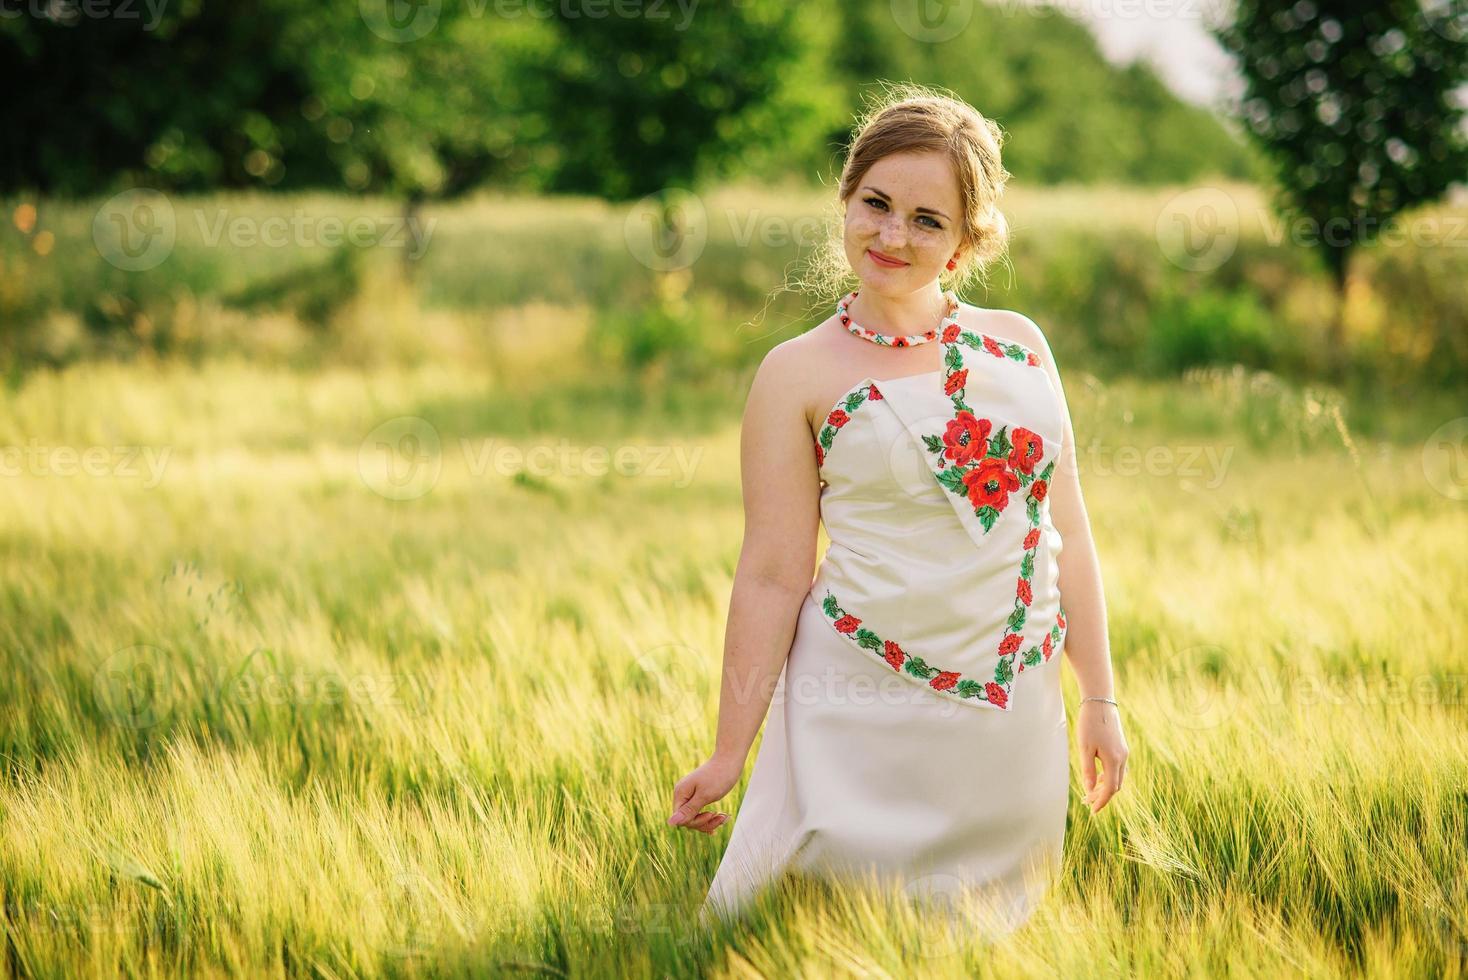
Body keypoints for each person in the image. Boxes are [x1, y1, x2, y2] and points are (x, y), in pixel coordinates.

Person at [667, 85, 1129, 933]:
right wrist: (731, 751)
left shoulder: (1020, 347)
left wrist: (1097, 699)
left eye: (927, 219)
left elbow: (1066, 534)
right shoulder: (794, 373)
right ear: (845, 200)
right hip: (856, 704)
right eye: (876, 204)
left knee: (990, 930)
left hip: (1007, 708)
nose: (892, 235)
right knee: (803, 919)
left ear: (964, 241)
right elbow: (773, 573)